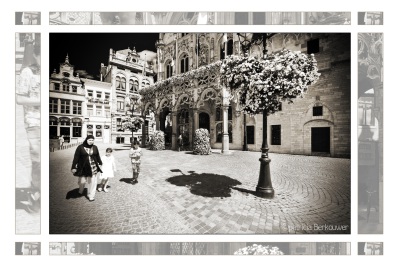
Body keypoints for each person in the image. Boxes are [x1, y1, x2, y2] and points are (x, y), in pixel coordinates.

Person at [16, 34, 41, 212]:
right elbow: (19, 99)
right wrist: (40, 101)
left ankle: (39, 193)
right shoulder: (27, 72)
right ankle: (34, 194)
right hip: (33, 121)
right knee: (37, 160)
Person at [71, 135, 103, 201]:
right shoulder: (80, 147)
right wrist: (73, 167)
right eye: (89, 140)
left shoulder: (95, 147)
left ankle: (91, 195)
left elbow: (97, 155)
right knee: (82, 181)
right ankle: (81, 189)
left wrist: (100, 162)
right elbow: (76, 157)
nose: (91, 141)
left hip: (92, 167)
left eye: (92, 140)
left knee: (92, 182)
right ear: (86, 140)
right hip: (83, 167)